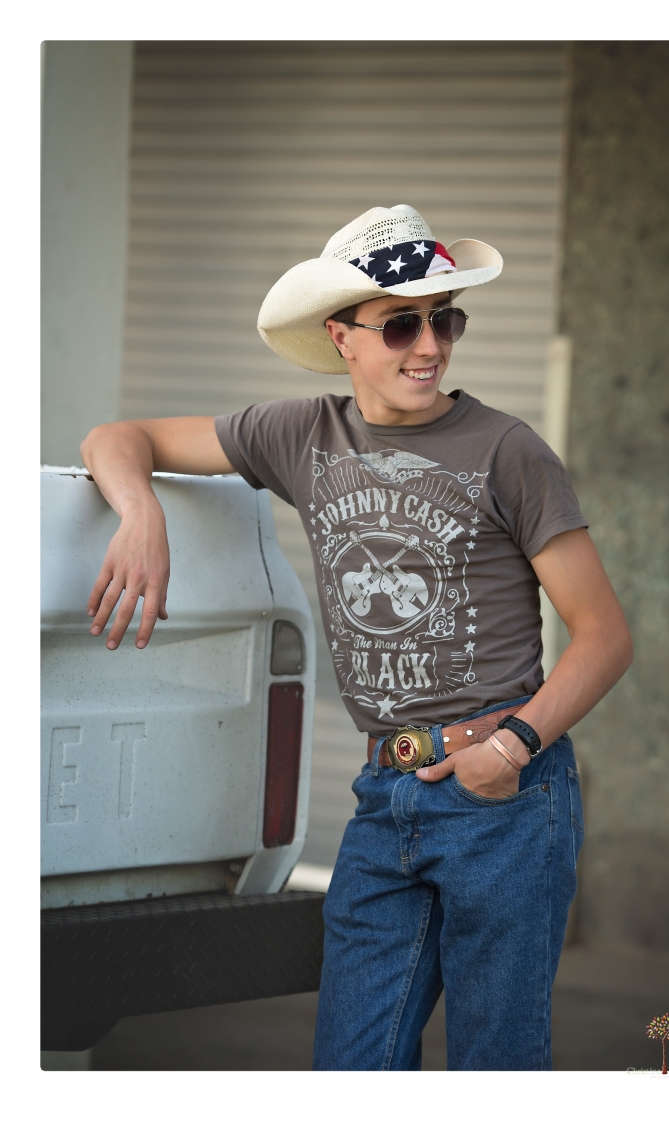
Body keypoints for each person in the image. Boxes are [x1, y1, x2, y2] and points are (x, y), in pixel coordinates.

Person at [81, 204, 633, 1071]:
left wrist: (518, 746)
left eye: (445, 318)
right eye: (402, 323)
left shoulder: (508, 450)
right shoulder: (303, 435)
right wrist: (140, 511)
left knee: (498, 1070)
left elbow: (604, 635)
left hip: (505, 797)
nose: (430, 345)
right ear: (342, 337)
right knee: (352, 1071)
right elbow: (120, 437)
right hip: (385, 795)